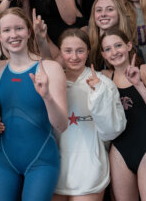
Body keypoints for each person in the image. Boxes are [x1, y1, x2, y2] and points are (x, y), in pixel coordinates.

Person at [0, 7, 68, 201]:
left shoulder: (50, 68)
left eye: (19, 28)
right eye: (7, 30)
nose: (13, 35)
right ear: (0, 36)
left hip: (41, 159)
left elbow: (62, 125)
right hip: (4, 159)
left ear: (29, 31)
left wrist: (47, 96)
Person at [53, 29, 126, 201]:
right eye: (68, 51)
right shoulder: (52, 82)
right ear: (60, 52)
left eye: (80, 51)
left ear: (88, 52)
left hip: (90, 172)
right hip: (55, 170)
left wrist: (98, 94)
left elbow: (112, 131)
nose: (74, 57)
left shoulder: (105, 84)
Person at [99, 28, 146, 201]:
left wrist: (138, 85)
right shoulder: (104, 78)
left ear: (129, 45)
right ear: (103, 55)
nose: (114, 52)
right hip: (119, 151)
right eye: (108, 49)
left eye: (118, 45)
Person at [88, 0, 132, 70]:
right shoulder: (87, 47)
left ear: (119, 13)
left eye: (110, 9)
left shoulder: (130, 45)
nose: (103, 14)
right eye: (99, 10)